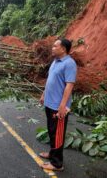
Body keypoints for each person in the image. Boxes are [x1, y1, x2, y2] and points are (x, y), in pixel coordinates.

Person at [39, 38, 77, 171]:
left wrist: (63, 105)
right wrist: (44, 94)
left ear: (63, 49)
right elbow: (50, 79)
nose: (52, 48)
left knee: (58, 134)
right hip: (50, 103)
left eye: (55, 46)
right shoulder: (55, 61)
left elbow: (69, 85)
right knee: (51, 131)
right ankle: (52, 153)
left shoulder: (69, 64)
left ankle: (57, 164)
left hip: (58, 106)